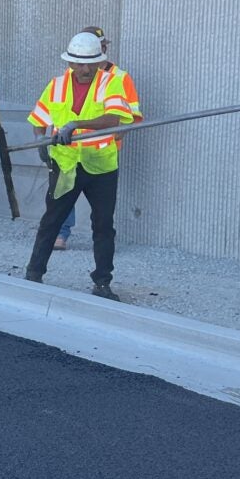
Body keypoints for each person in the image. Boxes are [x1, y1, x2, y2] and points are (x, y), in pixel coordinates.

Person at [23, 30, 137, 300]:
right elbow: (40, 117)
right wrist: (41, 141)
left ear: (100, 61)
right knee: (52, 220)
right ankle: (33, 273)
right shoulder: (57, 84)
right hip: (66, 164)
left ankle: (102, 282)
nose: (85, 69)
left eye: (90, 63)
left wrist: (77, 124)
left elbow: (114, 119)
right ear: (70, 62)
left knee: (103, 224)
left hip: (100, 166)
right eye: (79, 63)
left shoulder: (111, 82)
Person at [54, 26, 140, 250]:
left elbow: (133, 114)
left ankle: (102, 248)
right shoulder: (70, 75)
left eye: (102, 45)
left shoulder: (119, 78)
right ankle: (61, 234)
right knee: (64, 193)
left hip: (102, 150)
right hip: (69, 147)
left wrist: (116, 135)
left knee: (101, 208)